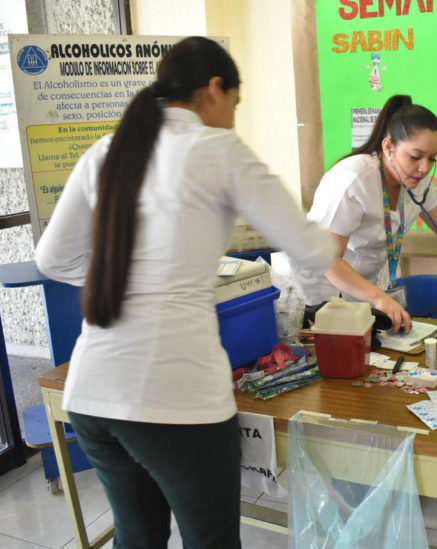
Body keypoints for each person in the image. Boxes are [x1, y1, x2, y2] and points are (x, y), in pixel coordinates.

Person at [34, 37, 336, 548]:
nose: (232, 120)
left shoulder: (107, 151)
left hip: (92, 394)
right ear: (214, 90)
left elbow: (52, 259)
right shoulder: (217, 150)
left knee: (138, 536)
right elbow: (308, 245)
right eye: (235, 106)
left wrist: (132, 282)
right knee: (211, 540)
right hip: (174, 399)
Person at [292, 94, 437, 332]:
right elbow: (328, 260)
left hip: (360, 291)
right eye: (415, 157)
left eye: (432, 159)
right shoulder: (353, 179)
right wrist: (378, 298)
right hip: (314, 293)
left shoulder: (418, 180)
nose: (424, 168)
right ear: (388, 146)